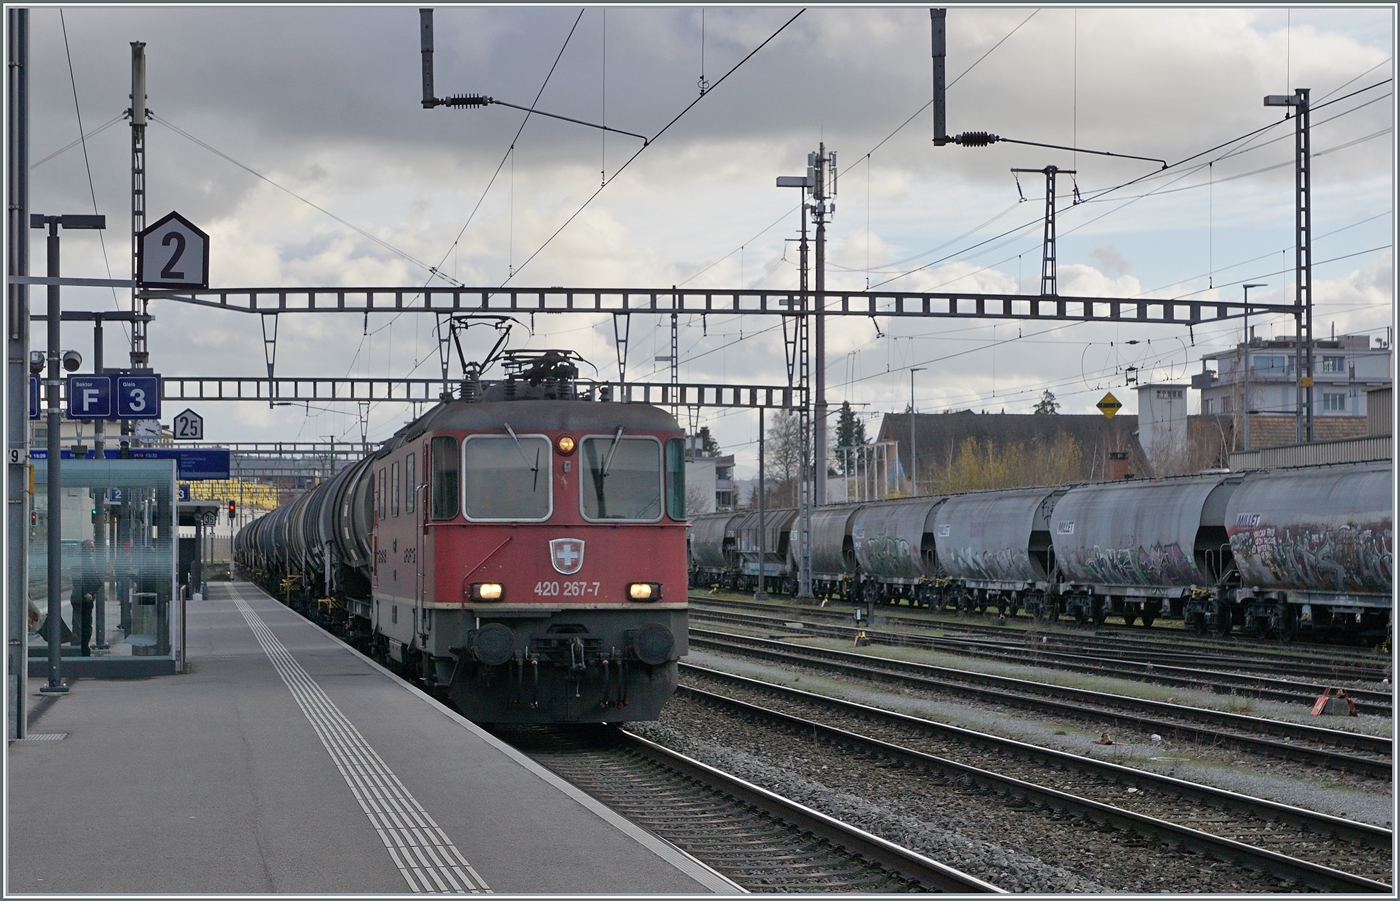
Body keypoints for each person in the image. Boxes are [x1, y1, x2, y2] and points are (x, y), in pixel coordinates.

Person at [72, 539, 104, 657]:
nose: (91, 550)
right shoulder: (82, 560)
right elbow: (77, 579)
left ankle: (82, 648)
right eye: (89, 548)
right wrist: (86, 593)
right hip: (82, 597)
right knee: (81, 625)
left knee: (84, 624)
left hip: (85, 597)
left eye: (92, 548)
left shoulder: (86, 560)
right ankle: (80, 649)